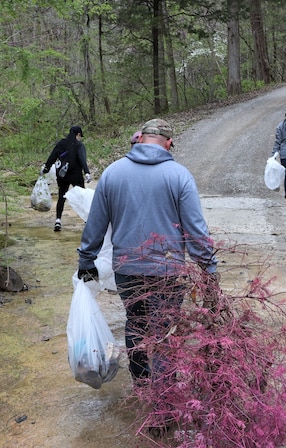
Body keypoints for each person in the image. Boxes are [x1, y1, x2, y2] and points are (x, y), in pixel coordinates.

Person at [77, 118, 218, 383]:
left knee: (136, 323)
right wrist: (208, 268)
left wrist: (86, 259)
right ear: (169, 144)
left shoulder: (112, 173)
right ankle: (164, 397)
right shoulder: (179, 176)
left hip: (127, 268)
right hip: (167, 270)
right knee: (165, 329)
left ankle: (141, 382)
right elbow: (196, 232)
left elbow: (95, 224)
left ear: (139, 138)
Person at [41, 125, 92, 231]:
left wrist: (46, 169)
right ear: (78, 134)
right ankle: (87, 221)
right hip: (76, 175)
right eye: (80, 136)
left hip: (62, 175)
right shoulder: (79, 145)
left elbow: (52, 157)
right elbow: (82, 159)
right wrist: (87, 172)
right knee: (82, 197)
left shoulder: (61, 143)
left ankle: (58, 221)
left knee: (61, 197)